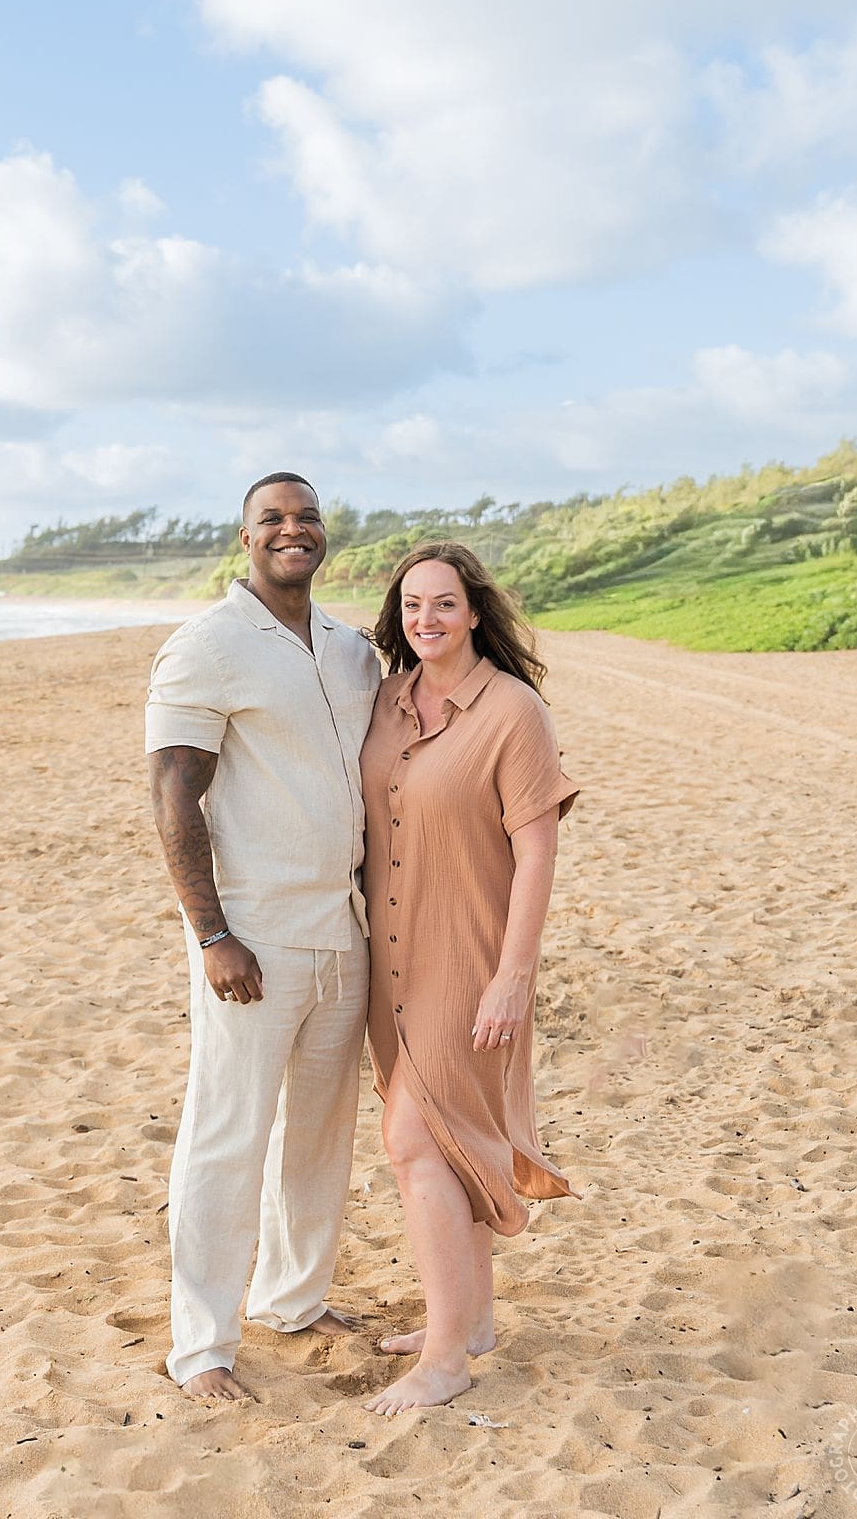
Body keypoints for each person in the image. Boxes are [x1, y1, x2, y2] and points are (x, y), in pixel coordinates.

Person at [145, 473, 381, 1402]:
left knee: (321, 1131)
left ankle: (296, 1298)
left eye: (308, 517)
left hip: (345, 928)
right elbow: (173, 792)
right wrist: (211, 933)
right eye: (273, 519)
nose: (294, 529)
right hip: (254, 934)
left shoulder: (348, 647)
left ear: (325, 536)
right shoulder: (205, 645)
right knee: (227, 1134)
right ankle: (201, 1344)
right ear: (244, 538)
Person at [359, 540, 580, 1417]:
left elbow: (536, 851)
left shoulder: (513, 711)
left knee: (414, 1141)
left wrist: (512, 976)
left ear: (475, 612)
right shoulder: (386, 700)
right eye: (413, 607)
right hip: (392, 961)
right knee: (439, 1141)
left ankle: (447, 1356)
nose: (426, 621)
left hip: (470, 959)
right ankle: (473, 1318)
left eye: (443, 604)